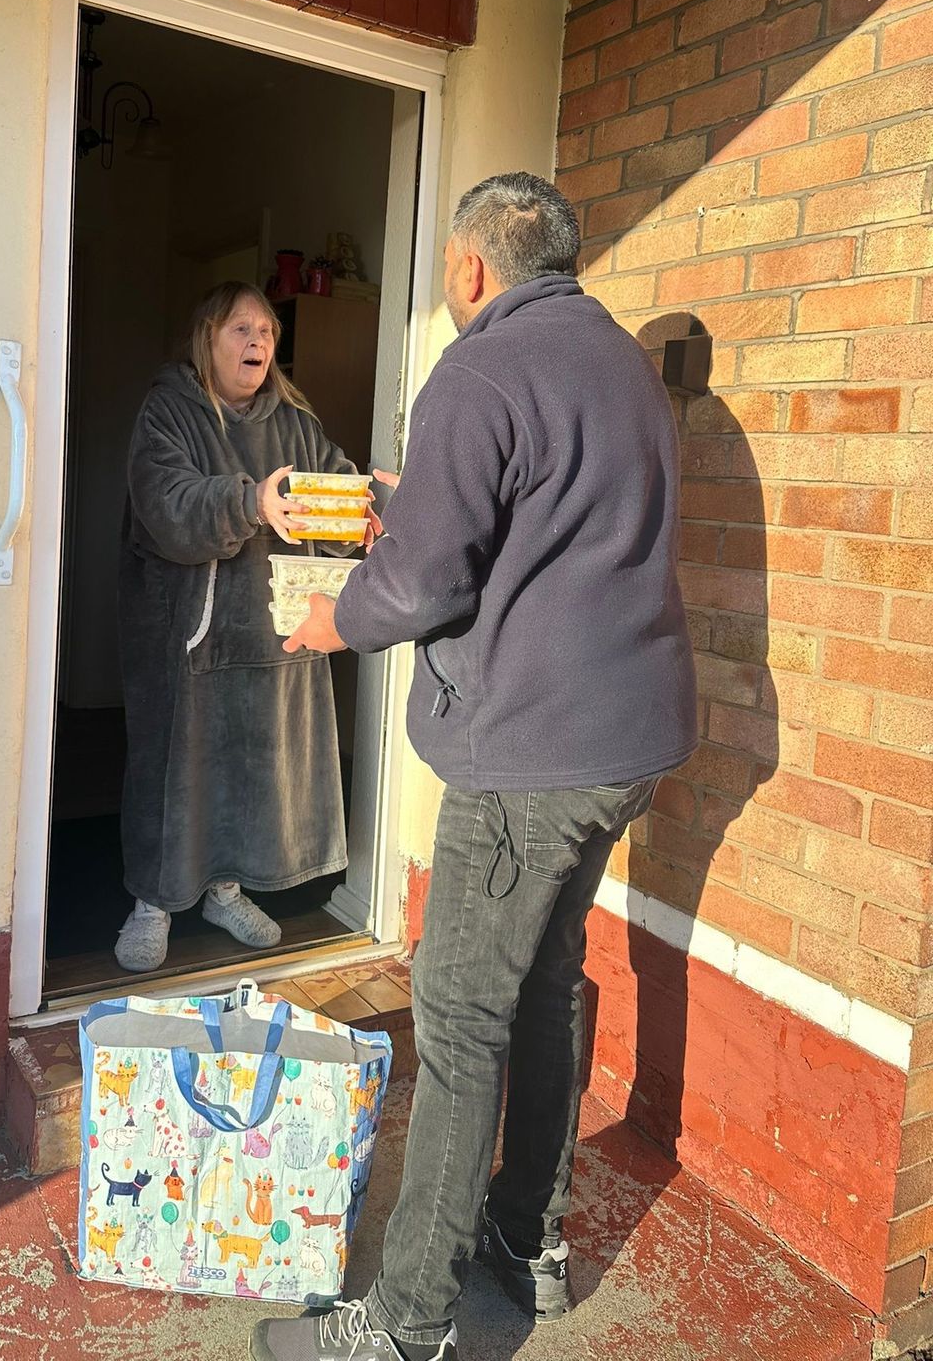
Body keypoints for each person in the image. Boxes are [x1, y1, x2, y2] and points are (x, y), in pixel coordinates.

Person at [250, 174, 698, 1361]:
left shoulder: (482, 367)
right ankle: (528, 1244)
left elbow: (423, 584)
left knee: (457, 1021)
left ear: (469, 269)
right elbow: (549, 523)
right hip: (628, 744)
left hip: (528, 758)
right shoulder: (621, 368)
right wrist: (424, 503)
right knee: (547, 983)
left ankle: (406, 1326)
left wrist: (328, 622)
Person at [114, 281, 363, 973]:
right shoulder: (169, 411)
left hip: (271, 632)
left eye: (267, 333)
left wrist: (364, 513)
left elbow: (333, 492)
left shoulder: (295, 422)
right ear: (207, 339)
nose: (258, 343)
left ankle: (226, 890)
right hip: (185, 635)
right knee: (173, 768)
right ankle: (154, 901)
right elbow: (167, 505)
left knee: (249, 766)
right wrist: (251, 500)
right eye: (241, 331)